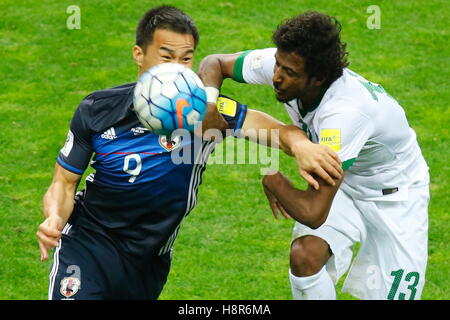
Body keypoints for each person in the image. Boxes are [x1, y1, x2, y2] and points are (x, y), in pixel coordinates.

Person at [37, 6, 342, 300]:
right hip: (88, 245)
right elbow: (64, 183)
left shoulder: (206, 112)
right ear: (138, 55)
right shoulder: (98, 109)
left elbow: (278, 131)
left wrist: (301, 146)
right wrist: (53, 218)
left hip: (149, 261)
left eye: (185, 59)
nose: (176, 69)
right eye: (166, 57)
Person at [198, 11, 430, 300]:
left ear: (318, 78)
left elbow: (314, 213)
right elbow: (214, 63)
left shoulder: (344, 115)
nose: (277, 78)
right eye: (278, 65)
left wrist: (275, 182)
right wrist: (209, 104)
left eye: (290, 73)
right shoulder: (286, 64)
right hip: (347, 183)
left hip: (395, 199)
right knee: (304, 257)